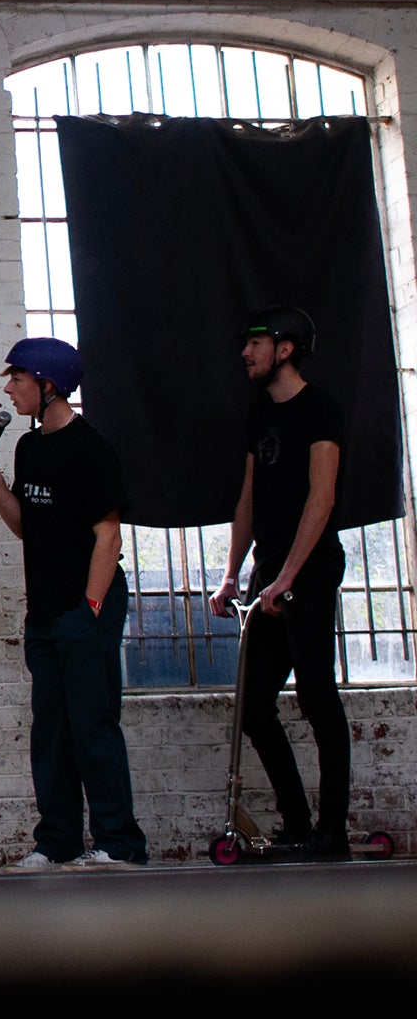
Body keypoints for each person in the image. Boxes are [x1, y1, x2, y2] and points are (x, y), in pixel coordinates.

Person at [0, 337, 149, 869]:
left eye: (18, 379)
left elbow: (108, 537)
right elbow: (29, 526)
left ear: (48, 386)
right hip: (45, 610)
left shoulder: (92, 448)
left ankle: (120, 843)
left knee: (92, 723)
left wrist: (90, 612)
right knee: (51, 728)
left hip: (86, 605)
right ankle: (58, 841)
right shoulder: (30, 447)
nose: (9, 388)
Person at [208, 306, 350, 860]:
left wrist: (288, 577)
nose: (246, 352)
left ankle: (331, 831)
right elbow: (248, 498)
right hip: (271, 573)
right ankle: (297, 823)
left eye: (256, 343)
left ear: (285, 349)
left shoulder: (321, 409)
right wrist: (231, 575)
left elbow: (323, 497)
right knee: (253, 708)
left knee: (317, 697)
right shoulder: (257, 414)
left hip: (309, 569)